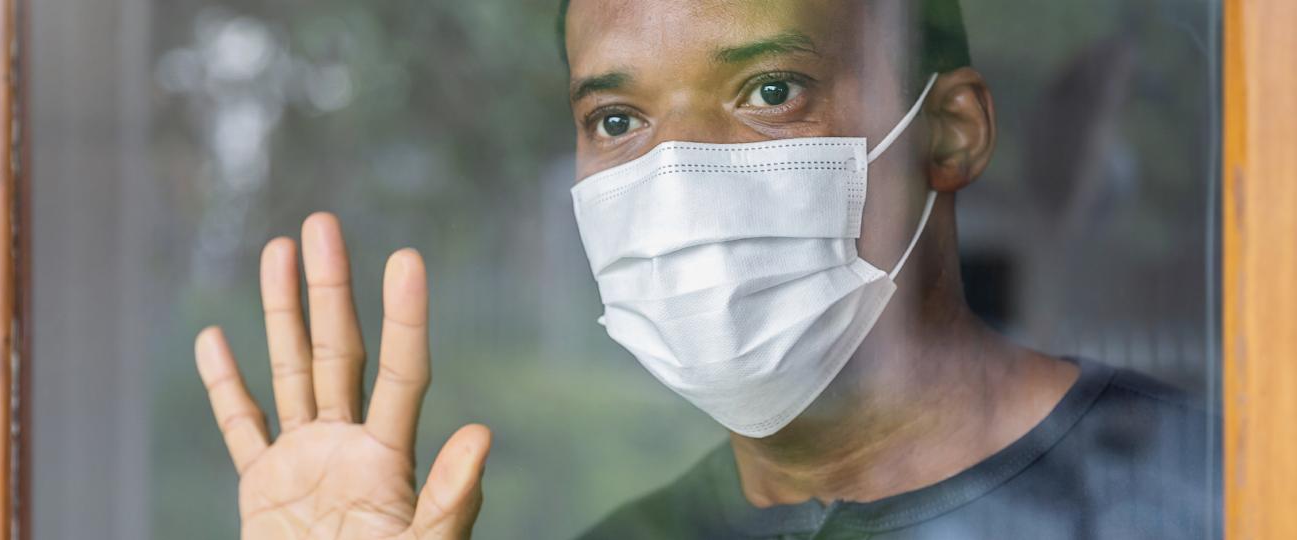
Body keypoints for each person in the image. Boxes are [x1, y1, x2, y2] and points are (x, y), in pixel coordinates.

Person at [193, 1, 1215, 538]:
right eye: (618, 119)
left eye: (770, 89)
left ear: (947, 130)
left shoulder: (1211, 495)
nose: (679, 176)